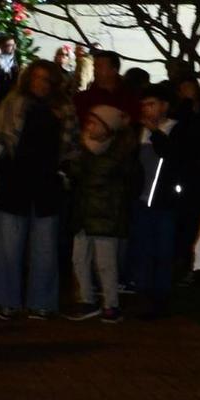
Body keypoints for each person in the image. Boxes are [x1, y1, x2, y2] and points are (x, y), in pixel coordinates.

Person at [0, 60, 74, 321]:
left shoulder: (63, 108)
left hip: (46, 182)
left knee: (45, 247)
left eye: (46, 79)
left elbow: (70, 147)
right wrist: (1, 167)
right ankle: (6, 300)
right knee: (8, 246)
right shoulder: (14, 102)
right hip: (17, 180)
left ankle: (42, 301)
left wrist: (63, 171)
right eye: (37, 78)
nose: (41, 84)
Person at [129, 82, 200, 318]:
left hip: (166, 203)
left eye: (151, 104)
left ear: (164, 106)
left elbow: (173, 156)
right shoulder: (136, 131)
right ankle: (142, 294)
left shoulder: (177, 130)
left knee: (163, 251)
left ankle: (160, 298)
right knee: (142, 249)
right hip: (141, 202)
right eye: (143, 105)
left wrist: (155, 132)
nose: (146, 110)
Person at [65, 104, 136, 322]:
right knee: (79, 258)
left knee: (105, 262)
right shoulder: (85, 148)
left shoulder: (118, 151)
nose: (89, 126)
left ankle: (111, 304)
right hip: (85, 212)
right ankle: (86, 299)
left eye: (95, 123)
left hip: (105, 213)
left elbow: (101, 175)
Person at [75, 48, 140, 126]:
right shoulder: (82, 98)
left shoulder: (131, 96)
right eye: (94, 67)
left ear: (113, 70)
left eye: (100, 66)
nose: (95, 70)